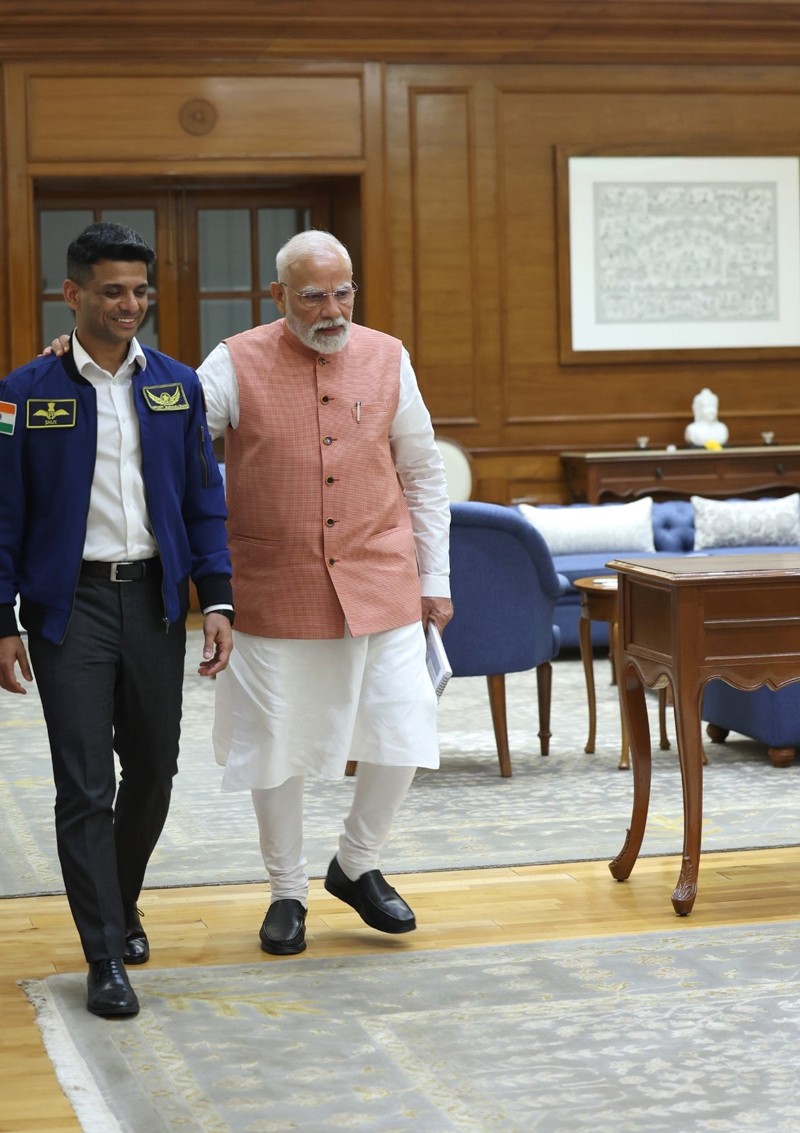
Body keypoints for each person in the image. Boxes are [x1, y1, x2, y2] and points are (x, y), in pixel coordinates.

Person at [0, 223, 234, 1018]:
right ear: (72, 294)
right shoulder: (22, 393)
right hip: (70, 607)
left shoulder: (177, 386)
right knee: (84, 785)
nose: (129, 304)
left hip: (156, 602)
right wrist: (2, 618)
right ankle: (104, 954)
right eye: (112, 290)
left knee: (155, 771)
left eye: (139, 290)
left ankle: (117, 895)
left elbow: (203, 498)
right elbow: (4, 512)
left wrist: (217, 597)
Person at [199, 229, 452, 956]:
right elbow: (169, 436)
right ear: (278, 294)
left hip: (383, 579)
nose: (332, 310)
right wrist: (77, 365)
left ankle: (357, 863)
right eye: (313, 296)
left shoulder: (389, 356)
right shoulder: (233, 361)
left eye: (343, 293)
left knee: (404, 726)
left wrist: (435, 578)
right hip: (274, 586)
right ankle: (287, 891)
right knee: (275, 744)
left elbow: (423, 471)